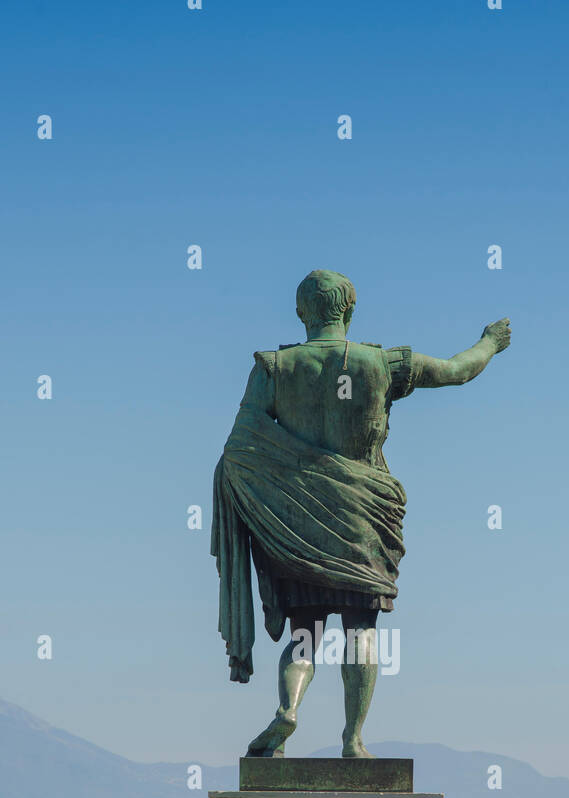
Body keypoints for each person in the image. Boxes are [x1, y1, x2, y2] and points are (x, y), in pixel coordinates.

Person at [211, 268, 511, 757]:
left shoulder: (273, 368)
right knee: (361, 631)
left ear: (301, 313)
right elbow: (458, 370)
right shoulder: (383, 364)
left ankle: (288, 711)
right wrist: (489, 343)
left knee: (305, 632)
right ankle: (352, 740)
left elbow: (240, 447)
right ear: (349, 310)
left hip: (298, 527)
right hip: (361, 521)